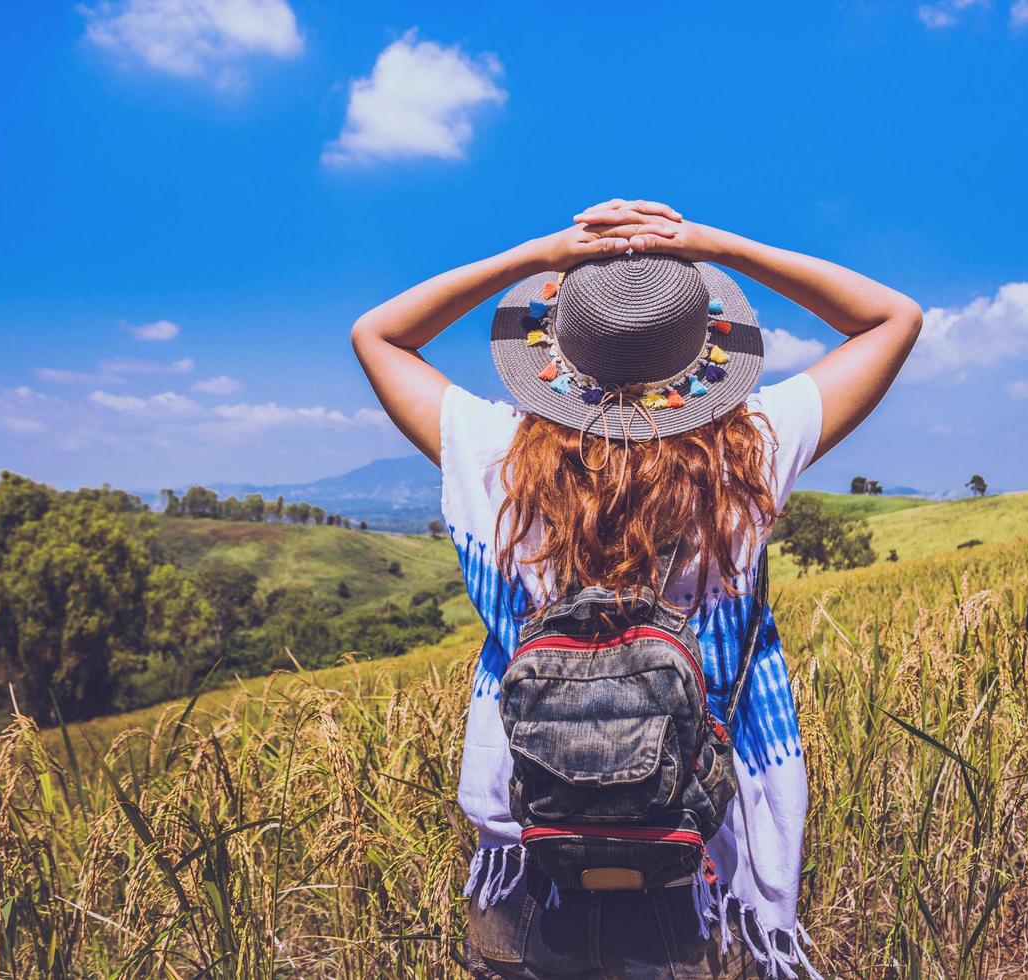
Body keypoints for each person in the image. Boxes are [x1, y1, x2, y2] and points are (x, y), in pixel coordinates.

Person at [352, 199, 921, 978]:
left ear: (558, 353)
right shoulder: (749, 457)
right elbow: (893, 318)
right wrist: (713, 244)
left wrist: (541, 252)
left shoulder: (494, 457)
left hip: (531, 829)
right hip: (700, 838)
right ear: (704, 357)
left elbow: (376, 333)